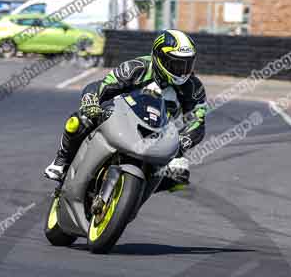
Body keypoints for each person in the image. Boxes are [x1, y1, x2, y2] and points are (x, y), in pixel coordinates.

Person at [44, 29, 207, 191]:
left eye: (188, 63)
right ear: (159, 58)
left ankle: (133, 196)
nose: (183, 70)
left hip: (160, 134)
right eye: (177, 63)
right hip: (120, 117)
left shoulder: (193, 88)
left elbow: (198, 122)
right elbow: (100, 86)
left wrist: (183, 141)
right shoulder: (136, 68)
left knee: (179, 174)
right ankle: (61, 161)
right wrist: (90, 103)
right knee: (80, 120)